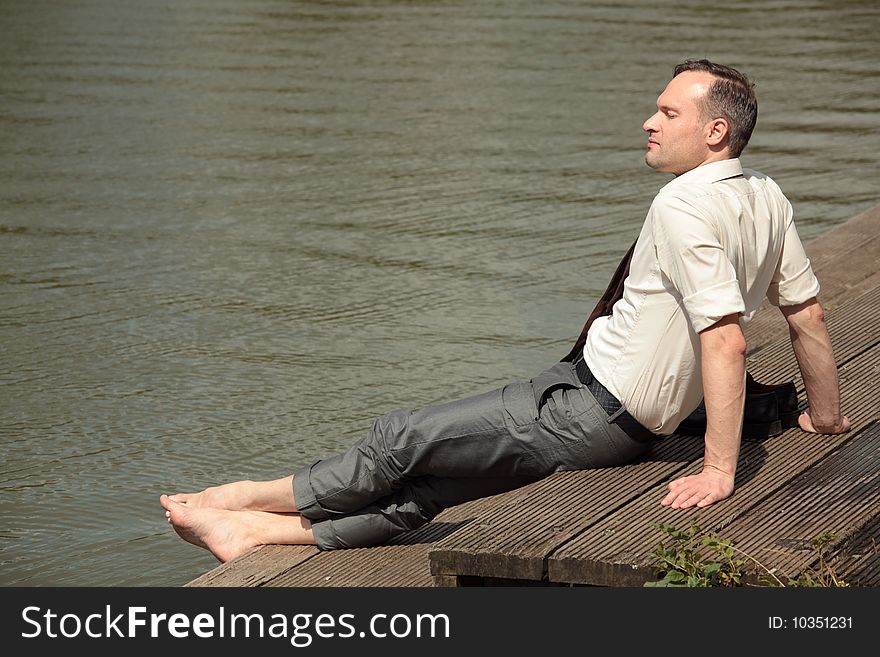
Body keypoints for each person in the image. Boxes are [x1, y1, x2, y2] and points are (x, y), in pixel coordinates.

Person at [160, 59, 851, 562]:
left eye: (669, 113)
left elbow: (725, 341)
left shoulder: (684, 202)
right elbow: (808, 315)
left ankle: (246, 493)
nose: (649, 121)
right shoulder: (765, 194)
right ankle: (258, 530)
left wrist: (719, 470)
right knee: (432, 488)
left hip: (587, 411)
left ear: (715, 131)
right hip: (611, 416)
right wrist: (823, 414)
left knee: (402, 437)